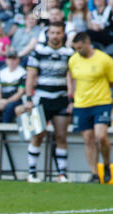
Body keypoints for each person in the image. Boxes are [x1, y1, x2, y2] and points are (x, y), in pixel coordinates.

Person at [15, 22, 74, 183]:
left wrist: (71, 99)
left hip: (61, 97)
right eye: (52, 32)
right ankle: (32, 172)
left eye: (58, 33)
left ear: (63, 34)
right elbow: (31, 76)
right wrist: (28, 98)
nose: (55, 35)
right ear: (48, 34)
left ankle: (62, 173)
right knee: (38, 134)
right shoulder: (38, 51)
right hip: (41, 97)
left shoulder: (69, 52)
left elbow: (71, 77)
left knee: (61, 135)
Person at [69, 32, 113, 183]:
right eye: (75, 48)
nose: (78, 51)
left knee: (101, 136)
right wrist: (71, 93)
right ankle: (94, 173)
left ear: (88, 44)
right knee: (88, 139)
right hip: (81, 103)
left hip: (101, 102)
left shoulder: (104, 59)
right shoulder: (73, 59)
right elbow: (71, 76)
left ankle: (107, 164)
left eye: (80, 48)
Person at [0, 49, 26, 123]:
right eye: (9, 59)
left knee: (10, 107)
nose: (11, 61)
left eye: (14, 59)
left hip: (16, 100)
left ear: (18, 60)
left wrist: (7, 101)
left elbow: (20, 92)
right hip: (2, 99)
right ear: (6, 60)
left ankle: (4, 128)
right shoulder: (1, 73)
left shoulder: (22, 73)